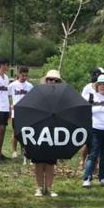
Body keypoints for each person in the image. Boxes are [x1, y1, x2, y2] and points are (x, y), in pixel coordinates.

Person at [82, 74, 104, 188]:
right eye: (100, 84)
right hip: (94, 130)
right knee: (93, 155)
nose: (102, 86)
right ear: (96, 86)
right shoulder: (90, 97)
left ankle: (103, 178)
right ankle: (87, 178)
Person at [33, 69, 63, 198]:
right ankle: (39, 187)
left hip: (54, 131)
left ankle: (49, 188)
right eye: (50, 79)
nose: (52, 82)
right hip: (39, 129)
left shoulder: (61, 96)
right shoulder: (38, 93)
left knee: (51, 163)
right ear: (45, 80)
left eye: (55, 80)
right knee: (39, 162)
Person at [80, 67, 104, 170]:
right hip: (89, 117)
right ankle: (83, 161)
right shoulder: (87, 88)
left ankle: (95, 165)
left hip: (100, 118)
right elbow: (82, 101)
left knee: (97, 144)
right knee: (88, 142)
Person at [8, 66, 33, 159]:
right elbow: (7, 96)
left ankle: (24, 151)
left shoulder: (30, 86)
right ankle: (14, 151)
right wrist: (10, 105)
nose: (24, 77)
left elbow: (32, 99)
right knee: (15, 132)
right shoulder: (12, 85)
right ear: (19, 74)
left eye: (26, 76)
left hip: (26, 113)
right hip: (16, 113)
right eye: (23, 75)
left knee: (25, 132)